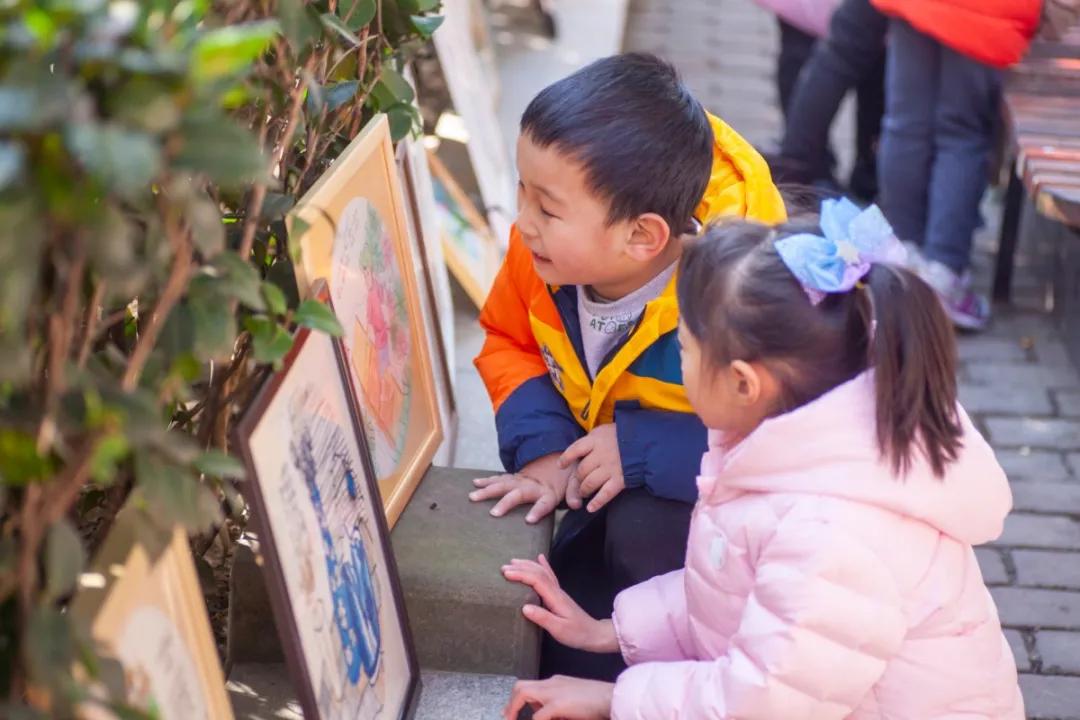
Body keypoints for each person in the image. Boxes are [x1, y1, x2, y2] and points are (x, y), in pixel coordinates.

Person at [502, 199, 1023, 719]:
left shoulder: (831, 533)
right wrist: (609, 631)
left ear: (743, 383)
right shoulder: (791, 444)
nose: (678, 365)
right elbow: (734, 590)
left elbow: (760, 702)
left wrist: (615, 698)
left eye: (684, 349)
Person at [470, 53, 787, 681]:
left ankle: (673, 684)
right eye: (521, 192)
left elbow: (778, 440)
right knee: (565, 615)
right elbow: (509, 341)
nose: (522, 223)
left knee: (645, 531)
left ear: (642, 237)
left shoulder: (738, 301)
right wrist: (545, 453)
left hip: (714, 531)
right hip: (602, 491)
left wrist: (640, 449)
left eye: (547, 209)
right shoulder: (539, 257)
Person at [872, 0, 1042, 329]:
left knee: (906, 124)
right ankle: (943, 272)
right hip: (986, 11)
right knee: (961, 133)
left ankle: (900, 257)